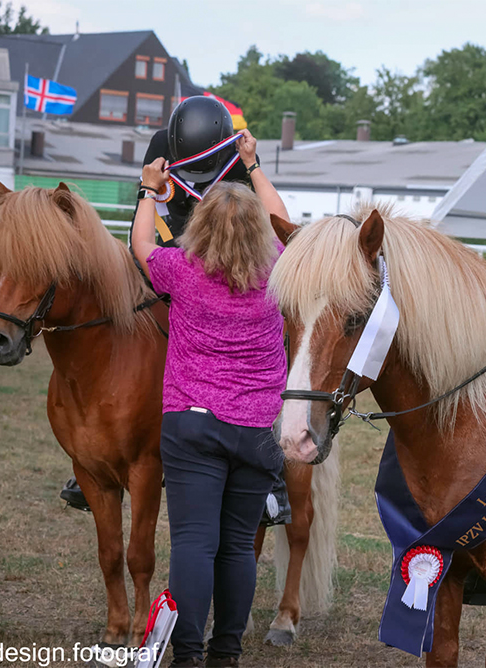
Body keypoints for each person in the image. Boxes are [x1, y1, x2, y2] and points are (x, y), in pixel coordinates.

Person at [59, 97, 291, 528]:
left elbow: (263, 225)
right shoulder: (159, 148)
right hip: (171, 258)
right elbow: (145, 221)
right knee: (122, 326)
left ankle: (271, 466)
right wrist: (171, 270)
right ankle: (100, 452)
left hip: (225, 262)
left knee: (279, 338)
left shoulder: (236, 156)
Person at [132, 128, 289, 667]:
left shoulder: (183, 271)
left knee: (195, 544)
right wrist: (254, 165)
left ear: (199, 226)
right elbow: (281, 220)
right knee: (237, 543)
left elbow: (142, 247)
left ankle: (188, 653)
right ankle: (227, 653)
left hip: (192, 424)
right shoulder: (278, 271)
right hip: (257, 430)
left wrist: (148, 191)